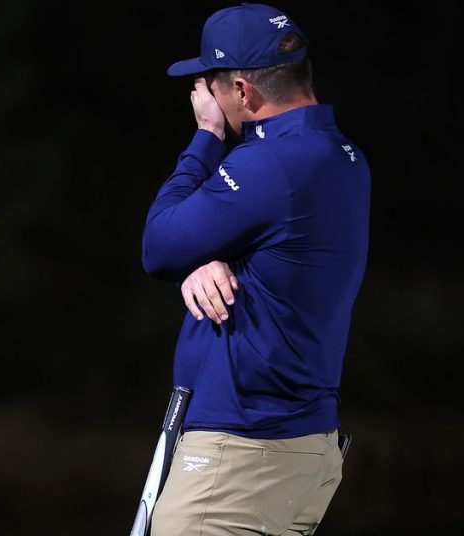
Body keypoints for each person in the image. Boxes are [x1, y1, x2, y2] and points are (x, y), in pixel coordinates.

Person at [140, 4, 370, 535]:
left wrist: (205, 136)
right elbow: (277, 251)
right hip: (303, 451)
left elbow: (158, 245)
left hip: (239, 456)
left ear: (243, 91)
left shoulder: (270, 164)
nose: (206, 97)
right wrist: (204, 260)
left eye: (212, 86)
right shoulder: (344, 156)